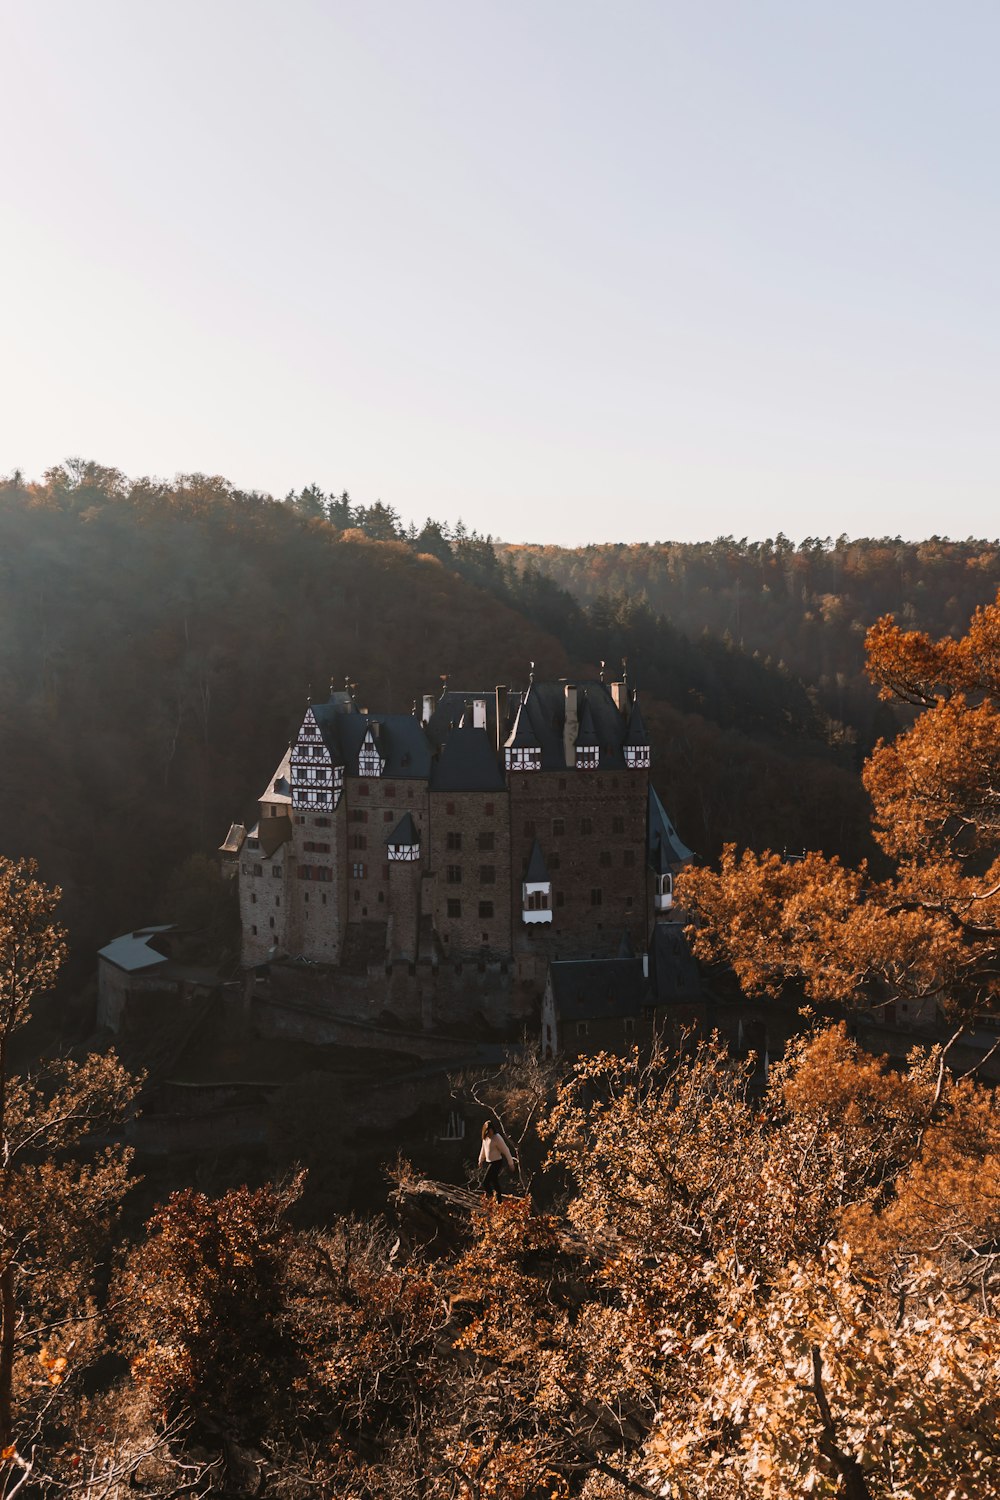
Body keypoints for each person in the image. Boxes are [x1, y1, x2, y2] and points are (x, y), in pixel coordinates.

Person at [478, 1118, 515, 1198]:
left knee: (486, 1182)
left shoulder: (497, 1138)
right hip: (490, 1162)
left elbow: (506, 1150)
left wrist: (511, 1163)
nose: (490, 1133)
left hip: (497, 1162)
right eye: (488, 1131)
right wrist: (480, 1160)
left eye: (491, 1130)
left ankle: (492, 1198)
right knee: (494, 1181)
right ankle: (498, 1201)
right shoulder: (486, 1138)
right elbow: (483, 1149)